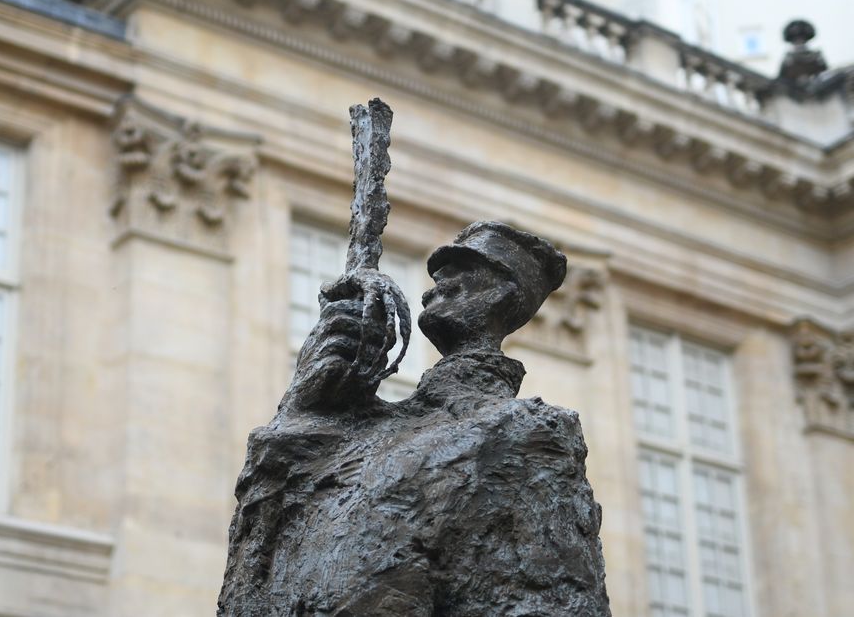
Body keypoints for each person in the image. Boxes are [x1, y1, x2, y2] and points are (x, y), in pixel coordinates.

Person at [218, 221, 611, 616]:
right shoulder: (354, 429)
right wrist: (303, 417)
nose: (435, 282)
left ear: (502, 294)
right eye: (440, 272)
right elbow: (252, 585)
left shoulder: (527, 431)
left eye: (461, 271)